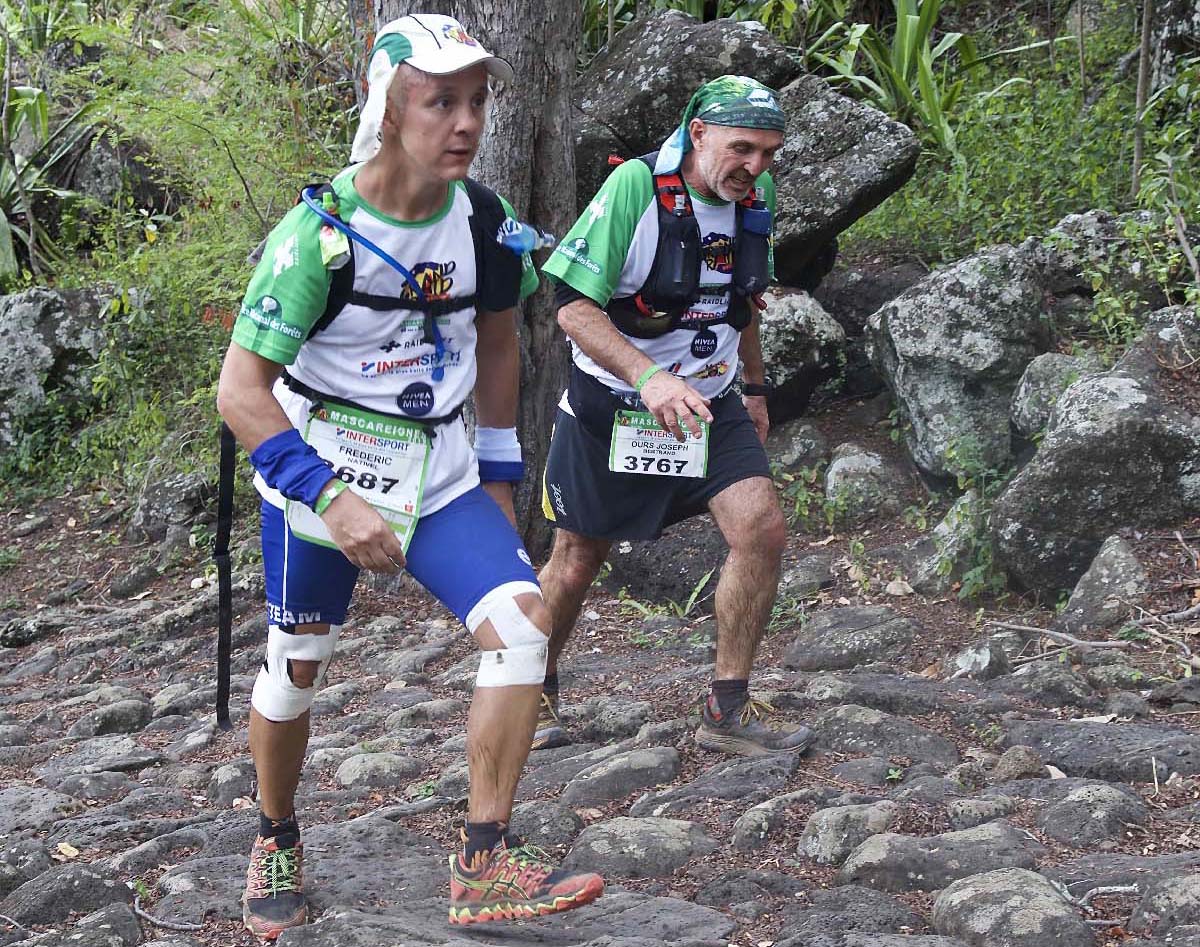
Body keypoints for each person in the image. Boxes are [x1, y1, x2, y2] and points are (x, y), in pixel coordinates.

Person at [216, 14, 603, 938]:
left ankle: (483, 862)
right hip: (321, 475)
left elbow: (503, 342)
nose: (466, 121)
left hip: (439, 471)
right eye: (442, 101)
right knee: (294, 672)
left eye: (476, 101)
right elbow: (240, 391)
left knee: (521, 624)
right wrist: (330, 495)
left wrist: (503, 476)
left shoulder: (484, 222)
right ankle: (275, 832)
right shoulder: (317, 238)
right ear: (390, 110)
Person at [534, 75, 817, 758]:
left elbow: (741, 297)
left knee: (762, 530)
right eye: (742, 148)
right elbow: (571, 307)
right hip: (616, 406)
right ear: (698, 135)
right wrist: (649, 376)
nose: (755, 168)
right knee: (576, 562)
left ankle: (726, 708)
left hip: (710, 402)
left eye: (770, 153)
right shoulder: (636, 189)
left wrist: (754, 388)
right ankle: (529, 686)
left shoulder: (755, 197)